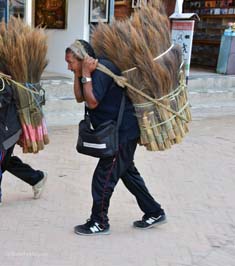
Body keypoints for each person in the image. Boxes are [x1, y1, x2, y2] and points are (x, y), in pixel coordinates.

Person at [65, 40, 166, 236]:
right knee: (128, 173)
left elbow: (92, 102)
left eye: (71, 62)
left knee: (103, 179)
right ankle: (154, 212)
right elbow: (80, 98)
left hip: (122, 134)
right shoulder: (84, 72)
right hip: (117, 133)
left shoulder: (102, 71)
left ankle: (99, 222)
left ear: (83, 59)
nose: (68, 66)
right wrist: (79, 74)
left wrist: (85, 74)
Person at [0, 75, 47, 205]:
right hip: (7, 130)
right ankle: (36, 178)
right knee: (5, 162)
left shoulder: (2, 82)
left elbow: (3, 99)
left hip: (6, 131)